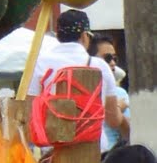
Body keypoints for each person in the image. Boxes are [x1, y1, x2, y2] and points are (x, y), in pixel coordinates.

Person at [26, 9, 125, 155]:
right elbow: (113, 121)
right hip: (94, 150)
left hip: (53, 151)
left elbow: (30, 113)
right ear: (85, 36)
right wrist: (119, 108)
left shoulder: (39, 63)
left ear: (58, 35)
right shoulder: (99, 66)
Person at [91, 34, 131, 151]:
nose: (113, 63)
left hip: (113, 157)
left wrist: (119, 114)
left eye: (115, 58)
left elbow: (130, 133)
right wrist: (117, 107)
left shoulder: (120, 93)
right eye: (107, 58)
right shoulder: (82, 90)